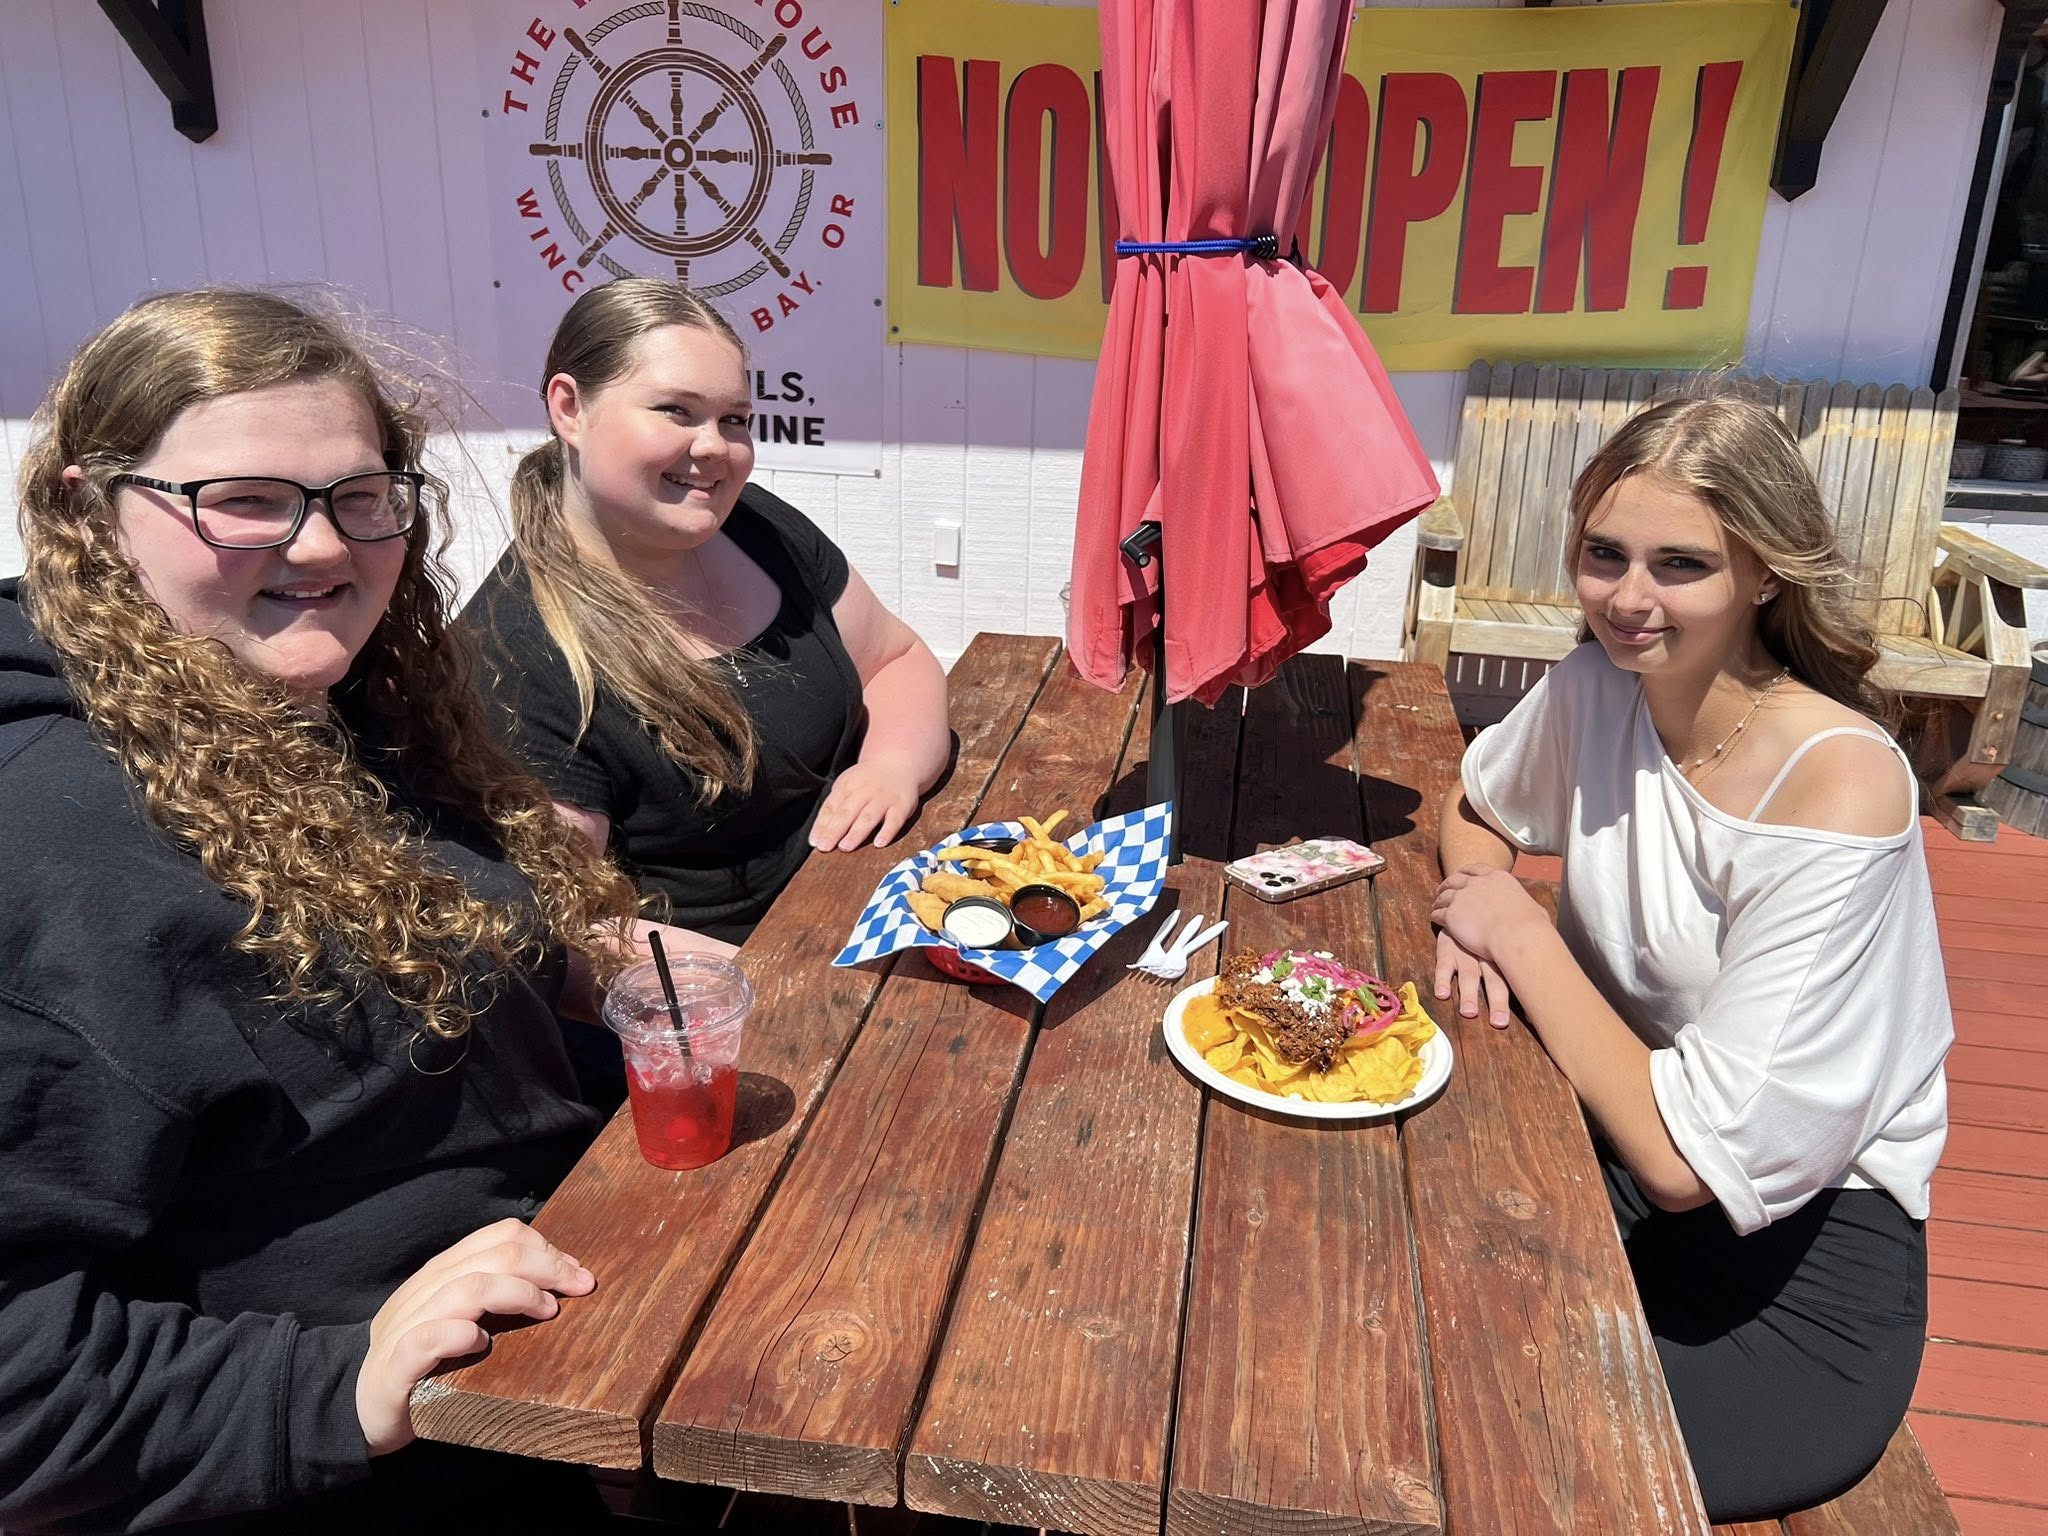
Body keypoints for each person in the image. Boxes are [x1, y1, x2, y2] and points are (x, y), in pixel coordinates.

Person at [0, 289, 649, 1531]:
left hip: (565, 1357)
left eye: (360, 497)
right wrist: (336, 1385)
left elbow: (353, 999)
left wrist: (576, 963)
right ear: (92, 507)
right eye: (242, 500)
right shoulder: (46, 852)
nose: (319, 549)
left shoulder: (339, 708)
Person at [1429, 393, 1950, 1523]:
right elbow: (1475, 808)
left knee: (1471, 1449)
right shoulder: (1592, 689)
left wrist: (1517, 934)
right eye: (1602, 555)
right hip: (1605, 1157)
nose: (1625, 599)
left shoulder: (1839, 785)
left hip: (1793, 1263)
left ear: (1764, 574)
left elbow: (1684, 1160)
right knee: (1370, 1319)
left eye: (1679, 565)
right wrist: (1474, 895)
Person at [464, 279, 950, 964]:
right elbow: (566, 929)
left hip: (883, 901)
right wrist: (782, 983)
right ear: (569, 407)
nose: (716, 447)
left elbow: (895, 659)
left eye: (733, 419)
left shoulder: (758, 527)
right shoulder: (516, 655)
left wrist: (895, 767)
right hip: (738, 998)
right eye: (676, 411)